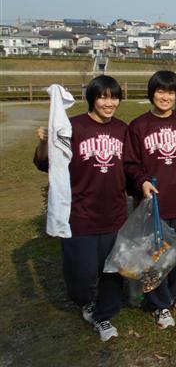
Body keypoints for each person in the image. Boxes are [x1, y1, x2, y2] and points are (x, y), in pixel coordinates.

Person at [34, 75, 127, 342]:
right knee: (82, 271)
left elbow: (132, 165)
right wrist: (44, 142)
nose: (109, 103)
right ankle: (84, 301)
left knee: (112, 269)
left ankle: (104, 314)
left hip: (115, 213)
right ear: (92, 98)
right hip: (80, 213)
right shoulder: (73, 126)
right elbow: (45, 164)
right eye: (103, 97)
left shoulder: (122, 129)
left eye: (114, 97)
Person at [124, 71, 176, 329]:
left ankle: (175, 294)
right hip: (154, 202)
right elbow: (130, 163)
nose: (165, 97)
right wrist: (142, 181)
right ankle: (159, 303)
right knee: (155, 255)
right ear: (152, 93)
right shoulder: (138, 126)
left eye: (170, 92)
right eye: (161, 91)